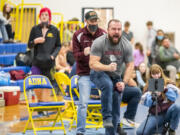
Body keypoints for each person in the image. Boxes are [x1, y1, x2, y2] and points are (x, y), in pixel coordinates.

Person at [89, 19, 135, 135]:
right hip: (98, 72)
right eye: (114, 29)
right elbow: (92, 64)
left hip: (116, 76)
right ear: (108, 30)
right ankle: (106, 117)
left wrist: (124, 82)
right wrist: (107, 67)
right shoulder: (99, 42)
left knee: (116, 100)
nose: (116, 32)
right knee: (108, 85)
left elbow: (130, 66)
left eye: (119, 29)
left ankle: (111, 132)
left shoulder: (126, 44)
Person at [72, 11, 106, 135]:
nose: (94, 23)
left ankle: (111, 127)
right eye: (92, 21)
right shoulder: (78, 35)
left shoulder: (103, 34)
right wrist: (83, 53)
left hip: (100, 73)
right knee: (83, 104)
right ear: (86, 21)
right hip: (85, 73)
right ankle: (80, 131)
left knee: (111, 98)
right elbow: (75, 56)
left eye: (96, 20)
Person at [28, 7, 61, 107]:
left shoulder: (55, 30)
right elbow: (29, 45)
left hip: (49, 63)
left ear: (49, 17)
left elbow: (58, 45)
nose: (44, 16)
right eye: (42, 14)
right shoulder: (34, 29)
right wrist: (35, 41)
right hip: (37, 62)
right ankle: (40, 102)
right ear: (40, 17)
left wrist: (53, 56)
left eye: (46, 15)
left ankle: (45, 106)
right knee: (36, 84)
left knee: (48, 85)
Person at [136, 64, 180, 135]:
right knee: (140, 132)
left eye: (158, 73)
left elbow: (174, 98)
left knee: (177, 107)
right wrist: (152, 96)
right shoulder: (148, 86)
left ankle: (172, 129)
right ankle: (162, 128)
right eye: (154, 74)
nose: (156, 76)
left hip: (168, 112)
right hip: (156, 114)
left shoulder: (168, 83)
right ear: (150, 75)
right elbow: (148, 104)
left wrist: (165, 90)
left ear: (161, 72)